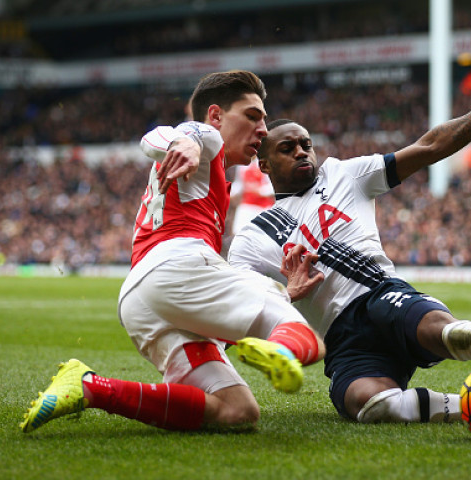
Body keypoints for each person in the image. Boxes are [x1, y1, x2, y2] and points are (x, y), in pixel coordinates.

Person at [227, 60, 471, 425]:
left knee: (454, 335)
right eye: (287, 148)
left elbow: (431, 145)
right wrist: (286, 294)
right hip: (342, 339)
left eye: (307, 144)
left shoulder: (344, 175)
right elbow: (237, 309)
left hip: (381, 297)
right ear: (263, 164)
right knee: (369, 406)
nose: (303, 152)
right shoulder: (253, 235)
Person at [21, 70, 325, 434]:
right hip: (175, 268)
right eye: (252, 116)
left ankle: (91, 388)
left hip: (144, 299)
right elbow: (167, 134)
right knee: (307, 338)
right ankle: (282, 348)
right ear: (215, 115)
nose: (263, 129)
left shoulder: (212, 181)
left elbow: (210, 307)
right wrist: (186, 142)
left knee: (238, 410)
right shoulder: (204, 138)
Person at [230, 158, 275, 234]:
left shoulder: (267, 163)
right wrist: (228, 193)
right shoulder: (242, 165)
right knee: (240, 233)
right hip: (247, 205)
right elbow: (239, 184)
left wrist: (260, 190)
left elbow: (273, 187)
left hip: (263, 207)